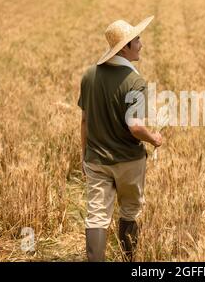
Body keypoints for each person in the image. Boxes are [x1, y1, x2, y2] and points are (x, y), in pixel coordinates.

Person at [78, 16, 162, 262]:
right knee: (130, 210)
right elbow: (135, 127)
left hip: (96, 160)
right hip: (128, 161)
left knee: (96, 216)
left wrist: (85, 156)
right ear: (125, 47)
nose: (141, 44)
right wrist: (154, 138)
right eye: (137, 40)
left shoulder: (89, 75)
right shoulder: (135, 82)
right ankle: (128, 260)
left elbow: (84, 121)